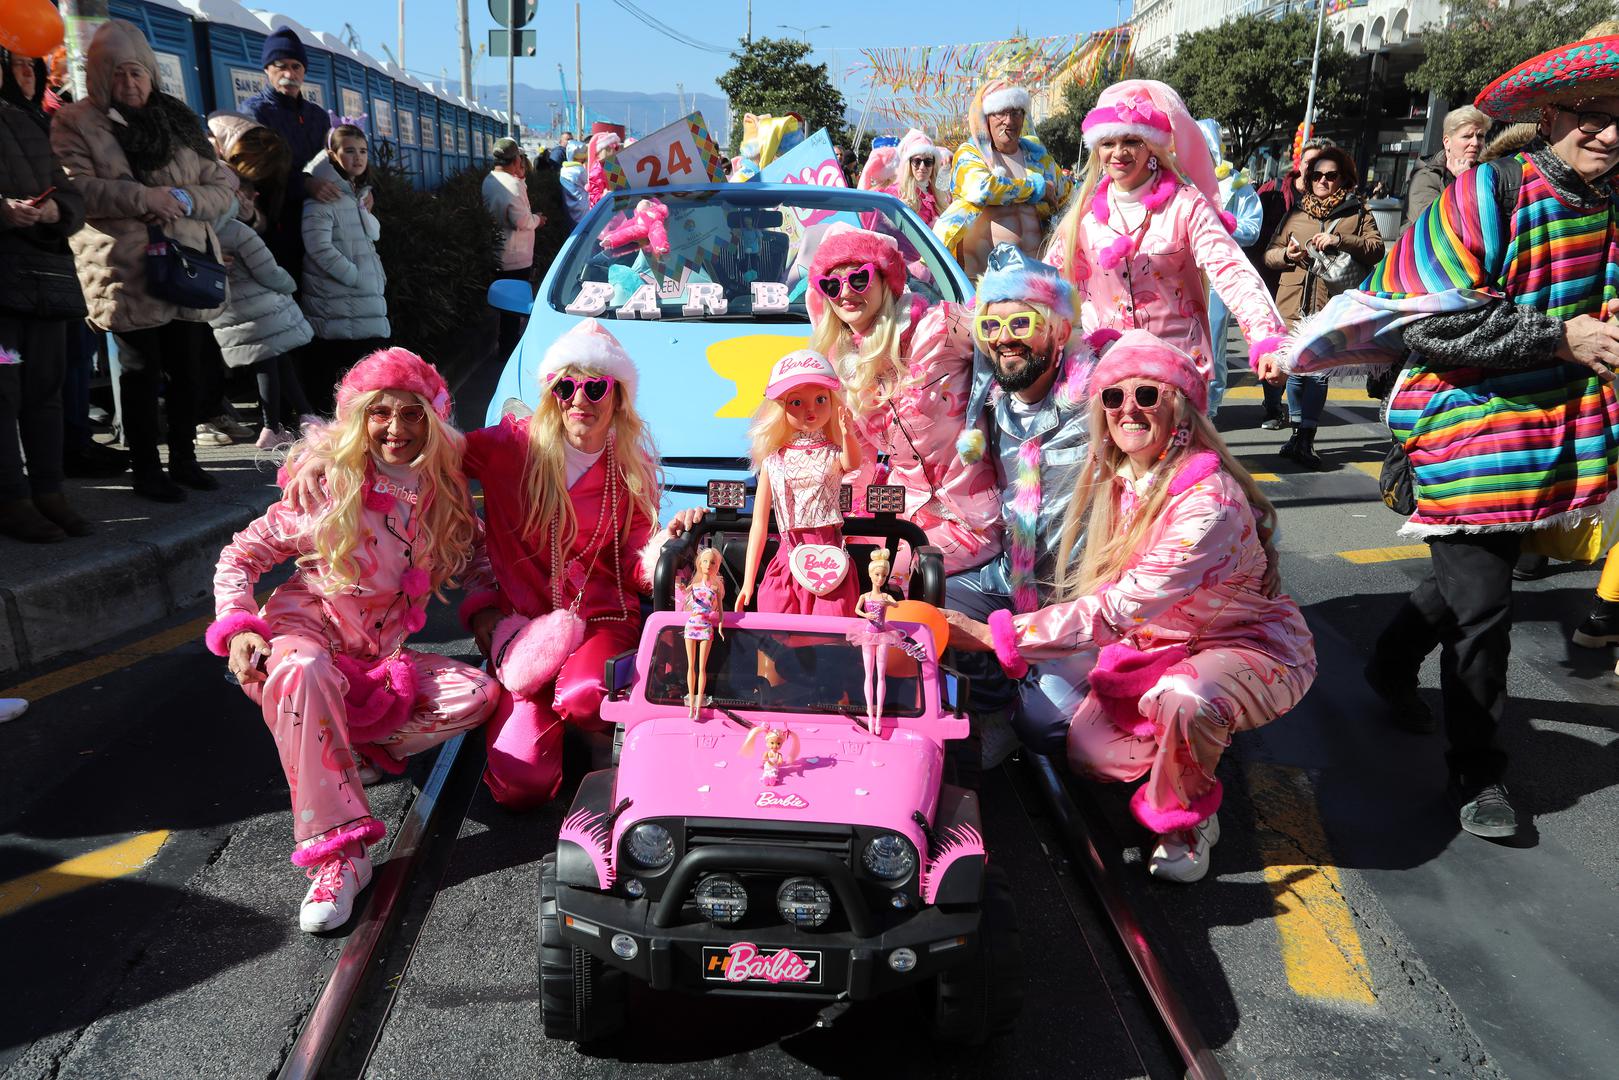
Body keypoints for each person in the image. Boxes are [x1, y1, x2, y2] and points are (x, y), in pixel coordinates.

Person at [1282, 34, 1619, 840]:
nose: (1608, 134)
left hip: (1550, 431)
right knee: (1484, 610)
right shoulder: (1485, 191)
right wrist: (1559, 336)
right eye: (1592, 114)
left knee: (1472, 581)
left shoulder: (1610, 205)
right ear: (1550, 113)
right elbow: (1425, 324)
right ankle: (1477, 771)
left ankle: (1389, 662)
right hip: (1465, 427)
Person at [946, 330, 1315, 883]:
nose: (1128, 409)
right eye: (1114, 396)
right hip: (1154, 642)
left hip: (1243, 646)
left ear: (1181, 406)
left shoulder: (1206, 503)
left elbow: (1119, 606)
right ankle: (1181, 747)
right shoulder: (1119, 477)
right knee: (1082, 749)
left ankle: (1186, 816)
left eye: (1147, 394)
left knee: (1187, 699)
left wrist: (988, 634)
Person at [206, 349, 496, 932]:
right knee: (305, 671)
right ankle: (339, 857)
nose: (395, 429)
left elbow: (479, 559)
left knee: (477, 696)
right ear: (358, 418)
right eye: (380, 413)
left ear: (433, 421)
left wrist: (500, 615)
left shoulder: (442, 495)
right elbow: (240, 556)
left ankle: (346, 748)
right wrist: (238, 626)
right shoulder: (328, 485)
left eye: (411, 413)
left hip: (377, 659)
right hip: (303, 640)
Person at [458, 320, 693, 808]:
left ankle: (589, 728)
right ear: (552, 394)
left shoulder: (630, 468)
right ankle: (560, 721)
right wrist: (332, 455)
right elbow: (432, 457)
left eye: (595, 387)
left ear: (618, 397)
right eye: (565, 387)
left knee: (586, 694)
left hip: (602, 619)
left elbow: (635, 564)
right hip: (524, 631)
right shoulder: (511, 447)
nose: (579, 399)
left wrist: (667, 553)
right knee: (521, 785)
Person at [52, 20, 237, 503]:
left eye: (137, 72)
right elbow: (76, 187)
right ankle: (147, 469)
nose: (130, 83)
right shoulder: (76, 121)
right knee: (140, 373)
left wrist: (183, 198)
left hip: (186, 261)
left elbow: (222, 186)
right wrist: (145, 198)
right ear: (99, 76)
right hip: (126, 267)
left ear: (152, 74)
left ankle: (184, 459)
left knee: (188, 370)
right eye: (118, 73)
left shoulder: (177, 120)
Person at [946, 245, 1103, 757]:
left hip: (1083, 593)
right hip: (1011, 578)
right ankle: (996, 703)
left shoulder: (1103, 395)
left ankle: (1038, 703)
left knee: (1047, 725)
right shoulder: (995, 402)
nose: (1003, 338)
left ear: (1059, 330)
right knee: (928, 600)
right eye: (991, 326)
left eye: (1021, 323)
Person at [1046, 79, 1287, 399]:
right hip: (1109, 382)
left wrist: (1266, 338)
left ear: (1151, 145)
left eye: (1131, 140)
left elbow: (1232, 271)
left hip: (1177, 378)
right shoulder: (1084, 218)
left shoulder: (1186, 205)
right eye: (1107, 142)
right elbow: (1046, 286)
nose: (1118, 152)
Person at [805, 224, 1000, 576]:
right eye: (831, 285)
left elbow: (1005, 339)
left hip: (973, 523)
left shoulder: (939, 327)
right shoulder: (844, 366)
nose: (845, 292)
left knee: (873, 573)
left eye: (859, 278)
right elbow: (859, 460)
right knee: (827, 562)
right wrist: (823, 517)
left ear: (885, 279)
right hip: (901, 519)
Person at [0, 49, 91, 541]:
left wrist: (57, 213)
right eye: (12, 64)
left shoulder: (32, 121)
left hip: (44, 282)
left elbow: (70, 196)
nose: (22, 74)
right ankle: (12, 499)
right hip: (4, 292)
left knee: (44, 390)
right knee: (3, 392)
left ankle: (49, 491)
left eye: (28, 66)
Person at [1262, 146, 1383, 468]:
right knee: (1294, 366)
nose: (1323, 182)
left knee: (1317, 371)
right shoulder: (1297, 212)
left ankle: (1306, 437)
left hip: (1331, 303)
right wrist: (1287, 255)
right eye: (1316, 175)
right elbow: (1270, 254)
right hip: (1293, 300)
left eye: (1331, 176)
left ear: (1344, 178)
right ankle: (1296, 433)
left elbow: (1376, 249)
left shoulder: (1357, 212)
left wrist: (1341, 241)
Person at [207, 125, 315, 451]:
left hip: (233, 310)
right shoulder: (239, 232)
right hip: (262, 307)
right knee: (271, 362)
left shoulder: (209, 230)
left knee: (273, 361)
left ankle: (303, 418)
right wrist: (289, 284)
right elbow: (268, 270)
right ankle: (275, 427)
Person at [735, 349, 861, 617]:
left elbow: (852, 463)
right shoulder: (774, 461)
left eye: (820, 399)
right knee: (780, 628)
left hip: (830, 562)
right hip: (788, 557)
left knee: (831, 629)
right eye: (796, 402)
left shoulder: (832, 453)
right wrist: (748, 582)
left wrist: (848, 434)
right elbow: (759, 524)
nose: (810, 410)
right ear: (780, 408)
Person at [936, 78, 1073, 278]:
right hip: (982, 283)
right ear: (986, 118)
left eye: (1016, 112)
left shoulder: (1038, 158)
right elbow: (982, 189)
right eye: (1000, 113)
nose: (1009, 121)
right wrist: (1037, 189)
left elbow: (1068, 196)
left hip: (1035, 280)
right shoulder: (970, 154)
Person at [299, 124, 388, 411]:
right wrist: (355, 276)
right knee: (340, 382)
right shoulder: (325, 196)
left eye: (363, 151)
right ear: (331, 155)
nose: (358, 157)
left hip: (360, 302)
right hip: (339, 304)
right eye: (349, 151)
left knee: (361, 384)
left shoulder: (356, 195)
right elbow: (318, 247)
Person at [240, 27, 339, 278]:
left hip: (318, 220)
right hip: (276, 224)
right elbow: (258, 171)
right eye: (281, 66)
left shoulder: (317, 116)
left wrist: (363, 191)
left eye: (296, 66)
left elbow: (337, 161)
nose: (289, 74)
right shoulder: (254, 112)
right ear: (267, 69)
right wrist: (305, 184)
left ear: (304, 71)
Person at [1253, 137, 1334, 429]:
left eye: (1322, 166)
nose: (1316, 172)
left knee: (1307, 355)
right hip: (1269, 279)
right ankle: (1273, 407)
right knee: (1276, 346)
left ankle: (1301, 423)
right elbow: (1259, 237)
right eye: (1310, 163)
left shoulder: (1333, 202)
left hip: (1309, 287)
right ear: (1299, 163)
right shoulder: (1274, 193)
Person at [1197, 119, 1263, 419]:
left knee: (1212, 343)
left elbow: (1253, 228)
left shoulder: (1236, 185)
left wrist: (1223, 226)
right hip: (1178, 274)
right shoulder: (1177, 179)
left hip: (1217, 275)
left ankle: (1209, 410)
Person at [483, 137, 545, 362]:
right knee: (514, 308)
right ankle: (509, 352)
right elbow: (521, 220)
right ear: (515, 159)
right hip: (516, 254)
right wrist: (538, 219)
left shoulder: (489, 180)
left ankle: (504, 346)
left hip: (498, 251)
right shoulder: (512, 184)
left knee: (503, 306)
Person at [1404, 105, 1487, 230]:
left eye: (1480, 136)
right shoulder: (1426, 177)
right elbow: (1436, 226)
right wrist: (1465, 181)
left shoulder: (1485, 173)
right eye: (1467, 136)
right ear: (1447, 142)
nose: (1475, 143)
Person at [877, 128, 949, 227]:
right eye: (917, 161)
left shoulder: (938, 194)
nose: (922, 167)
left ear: (933, 165)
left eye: (928, 162)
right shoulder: (894, 194)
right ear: (909, 164)